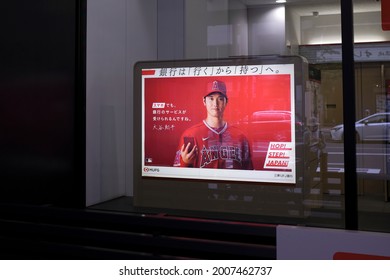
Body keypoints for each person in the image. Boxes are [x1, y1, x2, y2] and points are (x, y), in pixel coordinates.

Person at [173, 80, 253, 169]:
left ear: (226, 102)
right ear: (204, 101)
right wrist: (185, 162)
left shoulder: (240, 136)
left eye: (220, 99)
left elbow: (249, 171)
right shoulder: (191, 134)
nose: (215, 104)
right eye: (211, 98)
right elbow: (178, 174)